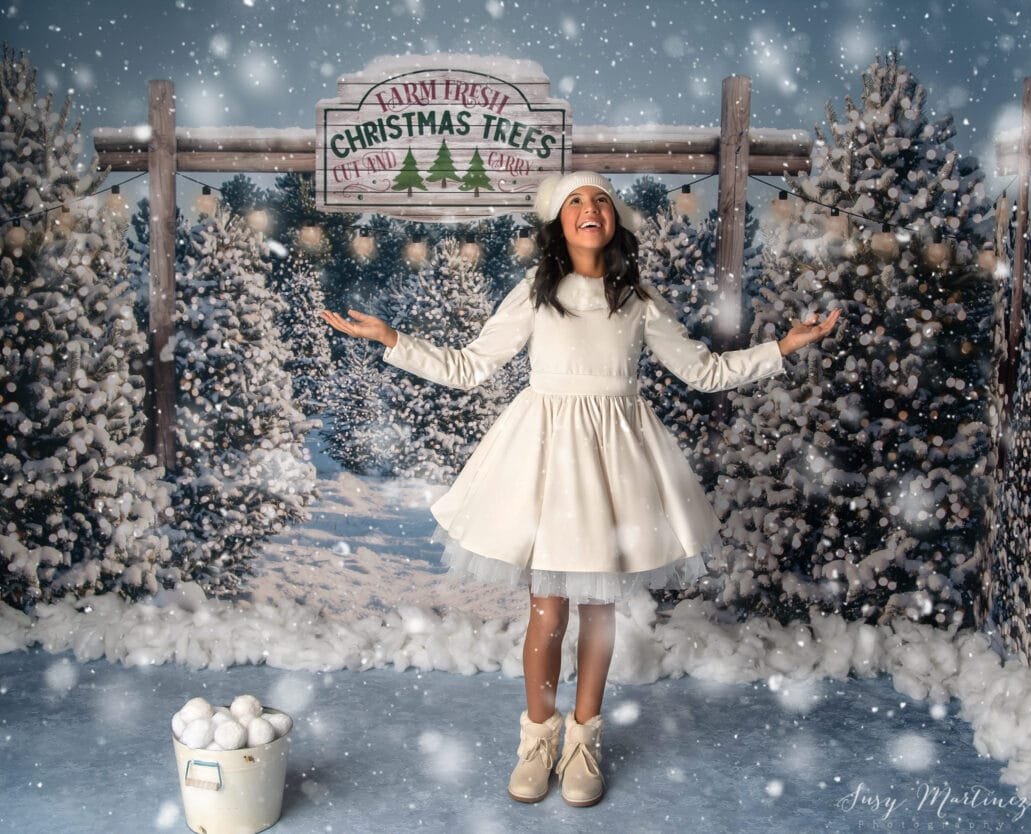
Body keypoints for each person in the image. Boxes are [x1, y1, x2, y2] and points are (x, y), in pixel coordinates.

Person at [320, 171, 840, 808]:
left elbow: (703, 371)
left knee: (599, 607)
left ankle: (583, 740)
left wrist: (782, 347)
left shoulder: (638, 298)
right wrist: (392, 340)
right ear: (558, 224)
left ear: (613, 220)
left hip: (617, 457)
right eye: (575, 202)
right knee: (548, 609)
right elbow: (470, 366)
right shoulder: (536, 294)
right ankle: (537, 739)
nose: (590, 208)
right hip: (544, 459)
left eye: (600, 200)